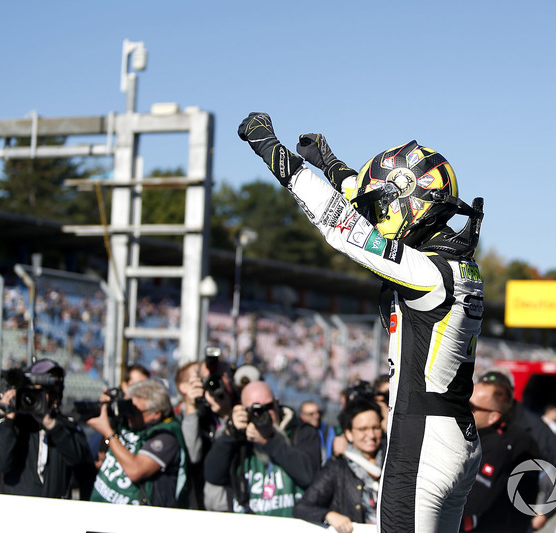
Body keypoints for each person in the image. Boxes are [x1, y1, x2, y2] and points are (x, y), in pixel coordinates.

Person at [238, 112, 484, 533]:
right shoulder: (456, 264)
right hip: (455, 435)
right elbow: (363, 200)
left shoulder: (428, 273)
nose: (380, 214)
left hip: (421, 437)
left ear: (413, 199)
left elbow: (342, 224)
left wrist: (268, 147)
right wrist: (330, 161)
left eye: (387, 204)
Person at [203, 380, 321, 516]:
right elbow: (212, 475)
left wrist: (269, 440)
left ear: (277, 403)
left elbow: (310, 477)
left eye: (268, 407)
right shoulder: (239, 439)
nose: (263, 414)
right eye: (255, 410)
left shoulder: (301, 433)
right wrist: (230, 434)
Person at [0, 359, 91, 498]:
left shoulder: (67, 425)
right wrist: (9, 419)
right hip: (17, 507)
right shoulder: (14, 423)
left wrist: (52, 426)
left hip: (54, 508)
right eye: (39, 391)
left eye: (51, 390)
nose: (46, 396)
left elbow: (79, 461)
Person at [87, 378, 189, 507]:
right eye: (128, 407)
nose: (129, 415)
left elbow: (135, 471)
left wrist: (108, 432)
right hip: (99, 504)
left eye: (135, 411)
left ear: (155, 413)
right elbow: (103, 456)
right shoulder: (127, 424)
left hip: (131, 518)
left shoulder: (166, 436)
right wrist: (110, 417)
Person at [461, 376, 540, 532]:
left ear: (493, 417)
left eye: (470, 406)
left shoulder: (498, 446)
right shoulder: (468, 433)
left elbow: (473, 503)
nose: (462, 409)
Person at [294, 398, 385, 532]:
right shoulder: (336, 468)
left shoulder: (394, 461)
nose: (371, 435)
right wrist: (328, 515)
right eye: (363, 429)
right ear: (348, 433)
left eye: (375, 428)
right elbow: (302, 508)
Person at [178, 357, 236, 510]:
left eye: (223, 376)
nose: (216, 381)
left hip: (228, 502)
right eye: (209, 377)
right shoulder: (190, 414)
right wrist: (191, 407)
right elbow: (193, 455)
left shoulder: (237, 407)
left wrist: (226, 415)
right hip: (197, 500)